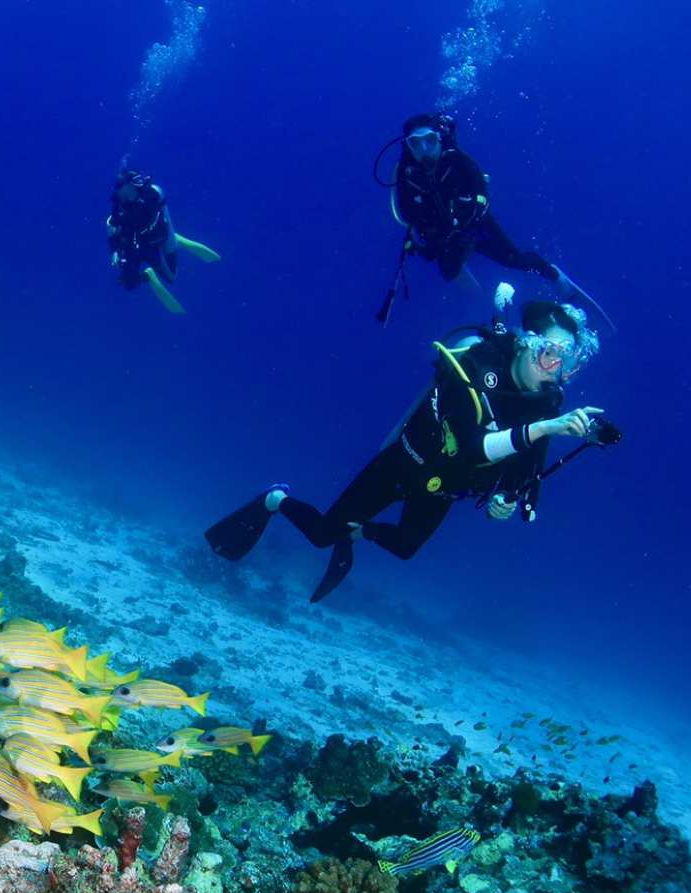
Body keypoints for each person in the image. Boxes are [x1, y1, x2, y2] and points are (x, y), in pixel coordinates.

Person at [206, 296, 609, 602]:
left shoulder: (545, 404)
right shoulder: (475, 366)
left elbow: (526, 467)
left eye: (568, 359)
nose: (555, 366)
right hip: (404, 463)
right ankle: (275, 499)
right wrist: (545, 427)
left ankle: (357, 532)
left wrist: (506, 500)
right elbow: (473, 448)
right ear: (525, 343)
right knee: (322, 535)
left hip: (444, 488)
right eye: (550, 351)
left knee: (404, 548)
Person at [384, 114, 613, 329]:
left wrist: (469, 214)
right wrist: (430, 240)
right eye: (416, 143)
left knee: (514, 259)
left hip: (475, 228)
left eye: (430, 140)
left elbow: (480, 188)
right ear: (408, 146)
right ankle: (482, 301)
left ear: (439, 138)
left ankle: (553, 274)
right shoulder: (406, 175)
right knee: (449, 272)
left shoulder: (456, 160)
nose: (424, 149)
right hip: (445, 238)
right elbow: (407, 214)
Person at [107, 170, 220, 314]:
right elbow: (110, 229)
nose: (116, 189)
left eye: (119, 185)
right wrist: (115, 251)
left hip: (158, 239)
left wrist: (126, 223)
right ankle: (149, 276)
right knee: (129, 283)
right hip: (133, 245)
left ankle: (178, 239)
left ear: (130, 185)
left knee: (172, 277)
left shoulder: (150, 196)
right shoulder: (118, 205)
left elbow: (156, 208)